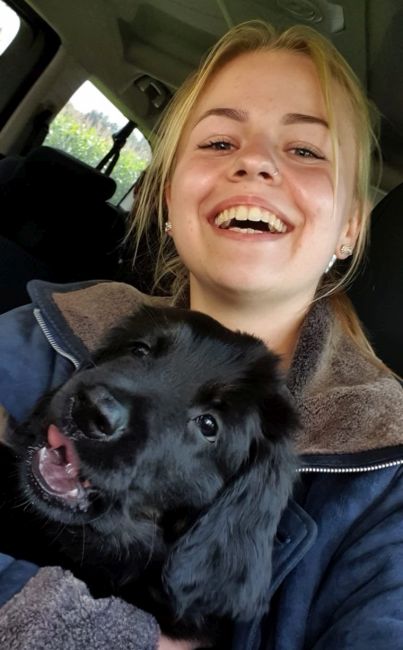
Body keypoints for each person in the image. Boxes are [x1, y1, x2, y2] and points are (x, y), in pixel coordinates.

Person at [0, 18, 403, 650]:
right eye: (219, 141)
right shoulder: (44, 334)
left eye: (305, 150)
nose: (255, 162)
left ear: (350, 227)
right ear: (168, 197)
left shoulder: (390, 475)